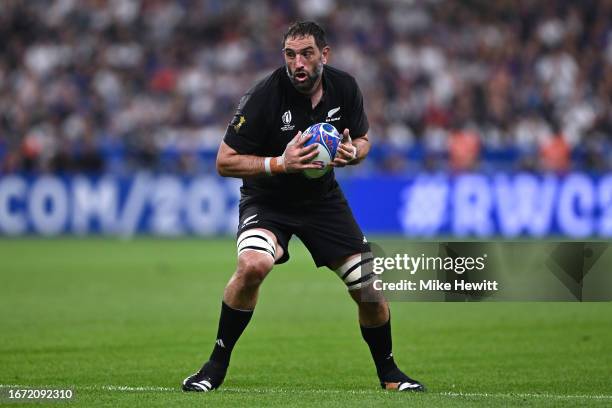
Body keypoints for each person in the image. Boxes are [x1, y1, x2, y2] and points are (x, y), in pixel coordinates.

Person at [182, 21, 425, 393]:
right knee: (252, 265)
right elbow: (224, 161)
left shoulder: (345, 87)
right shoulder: (263, 95)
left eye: (306, 54)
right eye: (290, 54)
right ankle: (214, 366)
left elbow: (362, 140)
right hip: (268, 198)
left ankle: (390, 374)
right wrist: (280, 163)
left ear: (323, 55)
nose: (298, 63)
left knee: (370, 289)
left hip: (322, 201)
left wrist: (353, 153)